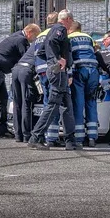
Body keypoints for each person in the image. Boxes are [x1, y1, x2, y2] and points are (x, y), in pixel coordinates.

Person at [0, 24, 41, 139]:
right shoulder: (21, 40)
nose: (34, 41)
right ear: (30, 32)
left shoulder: (16, 36)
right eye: (35, 37)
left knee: (3, 99)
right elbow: (26, 57)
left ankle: (1, 127)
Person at [28, 9, 78, 151]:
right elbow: (52, 42)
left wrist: (53, 61)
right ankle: (35, 137)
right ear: (68, 19)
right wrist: (57, 60)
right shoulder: (60, 29)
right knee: (53, 105)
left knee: (67, 105)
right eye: (71, 22)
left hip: (57, 71)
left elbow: (42, 51)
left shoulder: (50, 31)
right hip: (58, 72)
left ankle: (70, 140)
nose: (71, 25)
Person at [10, 19, 49, 143]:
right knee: (27, 103)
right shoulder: (49, 41)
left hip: (16, 69)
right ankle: (27, 135)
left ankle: (18, 135)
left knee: (17, 103)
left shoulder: (37, 42)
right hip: (26, 71)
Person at [68, 20, 100, 148]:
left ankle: (79, 138)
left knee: (78, 103)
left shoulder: (69, 37)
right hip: (93, 70)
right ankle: (92, 137)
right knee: (91, 102)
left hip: (79, 70)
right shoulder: (89, 37)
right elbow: (96, 49)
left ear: (70, 29)